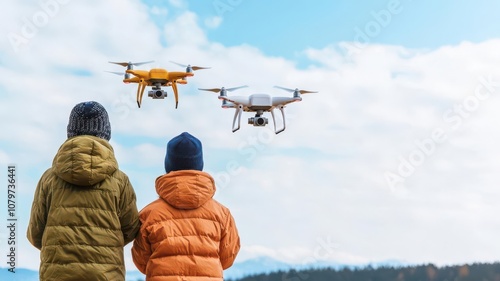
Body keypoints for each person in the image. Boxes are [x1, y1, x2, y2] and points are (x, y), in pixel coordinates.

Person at [27, 101, 140, 281]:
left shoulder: (48, 179)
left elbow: (35, 234)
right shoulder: (120, 181)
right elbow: (131, 229)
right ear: (106, 132)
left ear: (70, 132)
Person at [132, 132, 240, 280]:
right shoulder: (222, 214)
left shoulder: (148, 214)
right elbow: (227, 258)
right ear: (199, 165)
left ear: (168, 165)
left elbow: (141, 261)